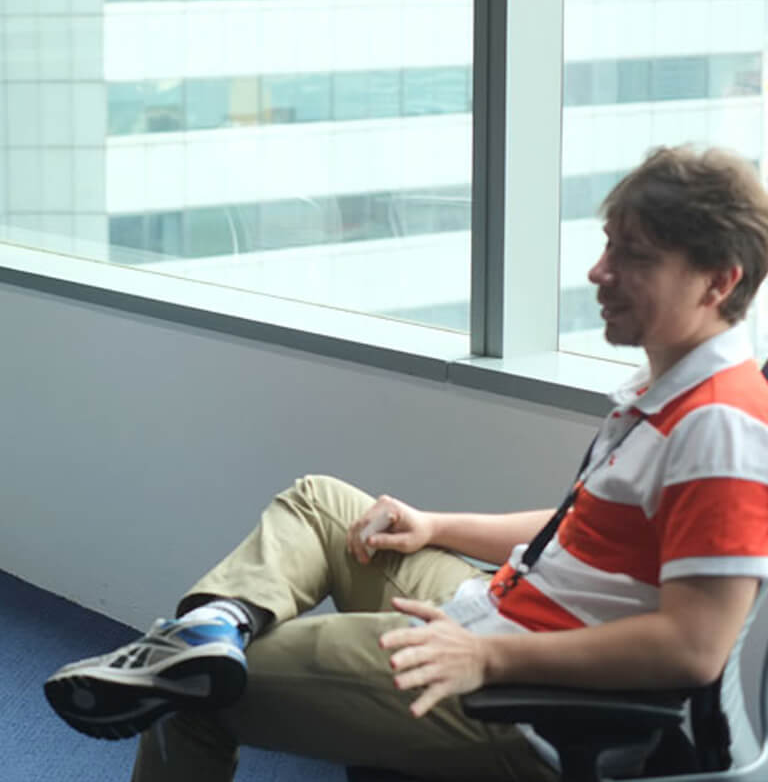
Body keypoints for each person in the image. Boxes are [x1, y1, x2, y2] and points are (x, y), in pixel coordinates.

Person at [44, 144, 768, 781]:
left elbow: (693, 647)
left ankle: (194, 655)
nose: (598, 270)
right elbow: (581, 526)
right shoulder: (666, 391)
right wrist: (434, 524)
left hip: (527, 697)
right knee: (322, 502)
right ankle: (214, 622)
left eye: (632, 256)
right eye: (607, 245)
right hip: (503, 605)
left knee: (193, 693)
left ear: (717, 282)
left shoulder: (721, 425)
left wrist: (488, 659)